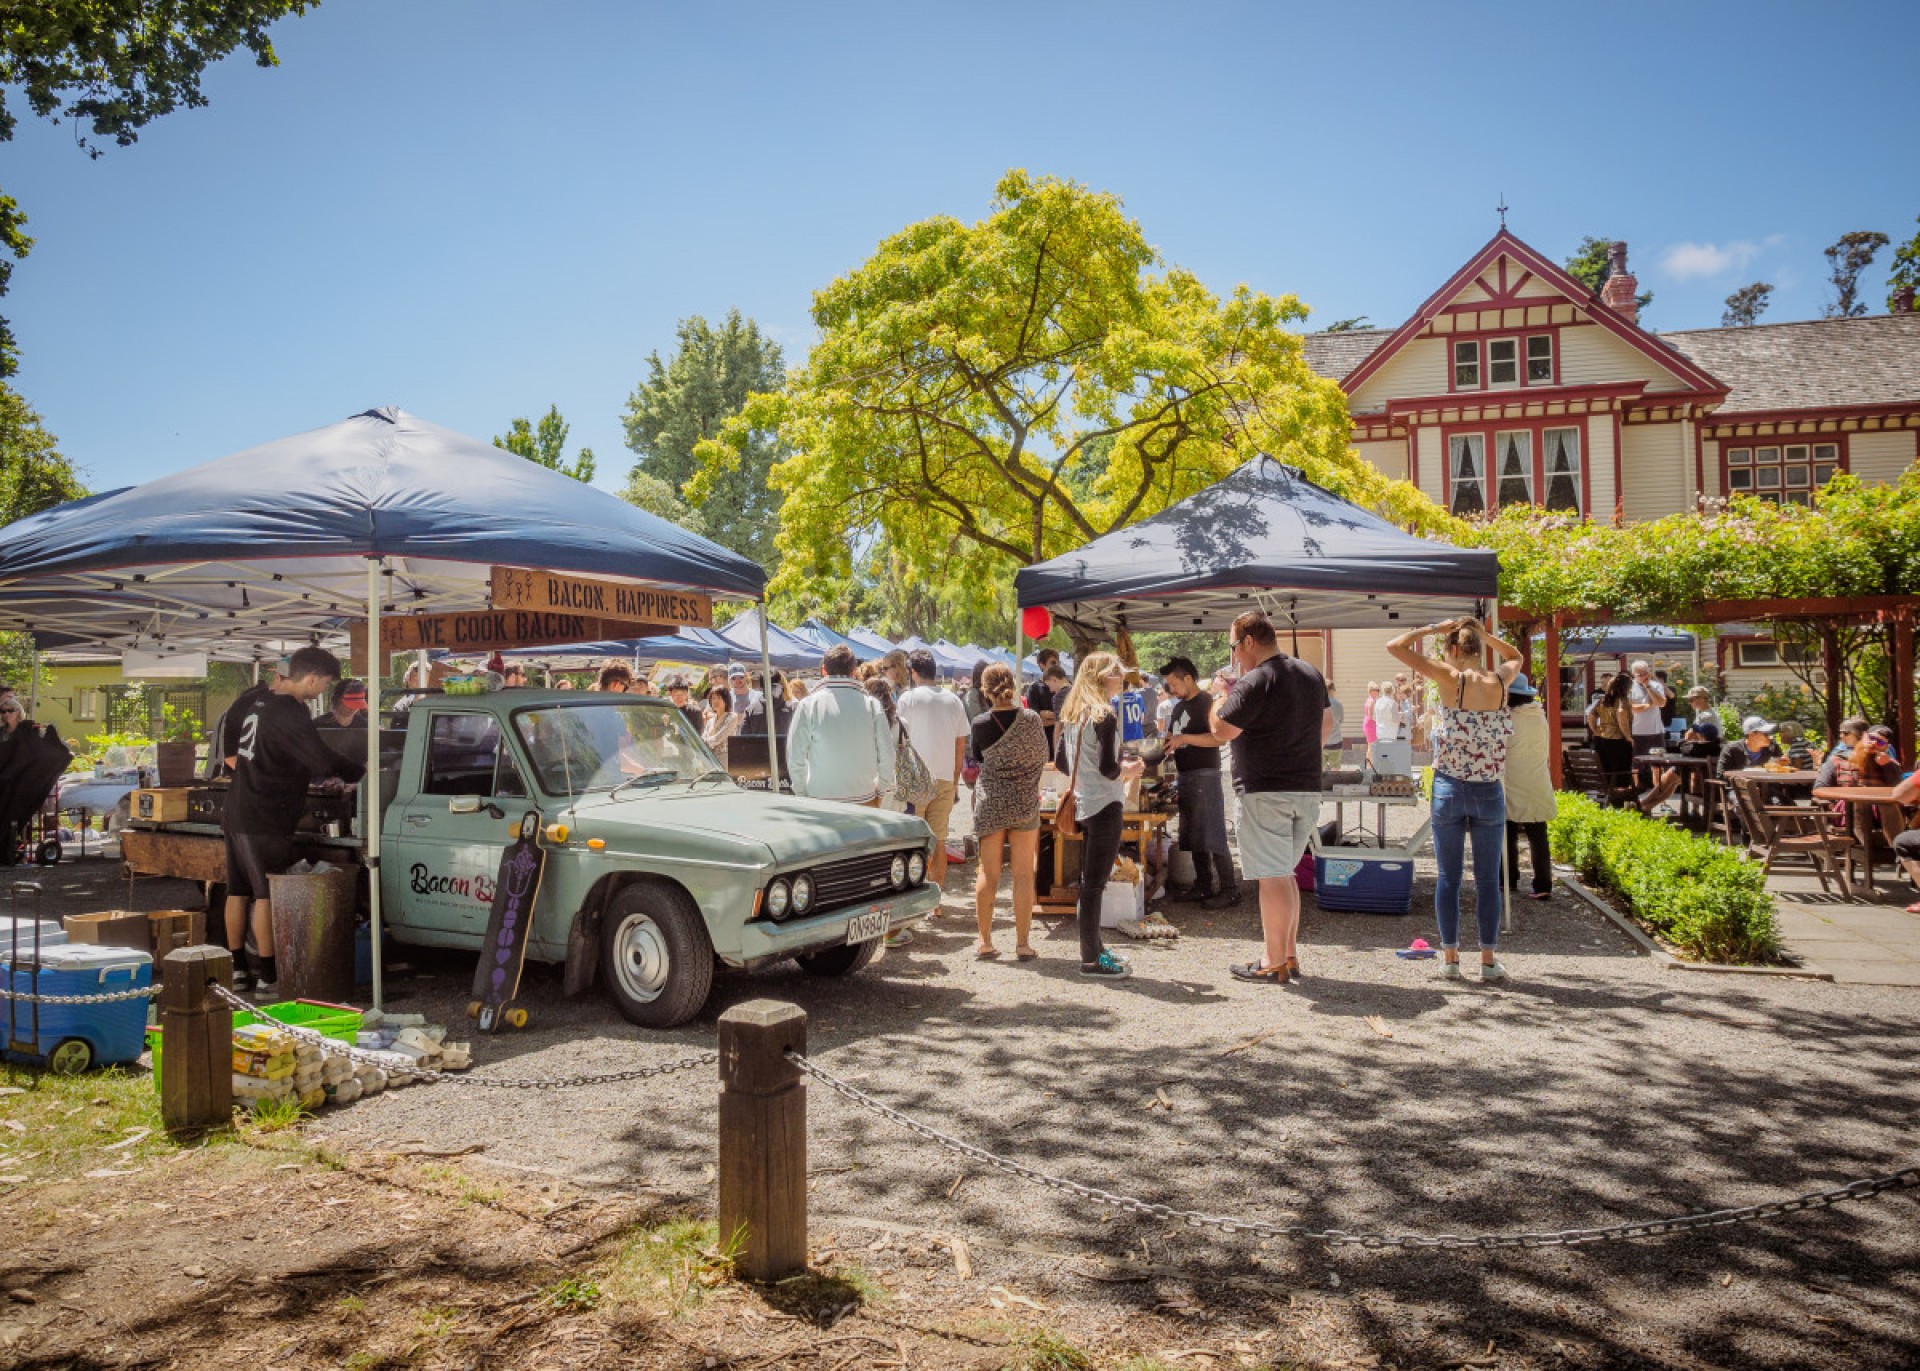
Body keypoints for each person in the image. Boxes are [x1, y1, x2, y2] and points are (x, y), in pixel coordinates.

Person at [220, 647, 365, 995]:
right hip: (265, 814)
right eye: (325, 682)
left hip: (238, 808)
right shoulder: (289, 710)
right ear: (312, 678)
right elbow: (317, 757)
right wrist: (357, 772)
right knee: (267, 894)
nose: (322, 690)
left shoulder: (261, 702)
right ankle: (269, 976)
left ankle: (238, 967)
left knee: (237, 891)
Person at [1387, 616, 1523, 983]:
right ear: (1478, 648)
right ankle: (1489, 960)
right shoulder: (1500, 680)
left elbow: (1395, 646)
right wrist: (1485, 634)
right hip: (1489, 789)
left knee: (1449, 877)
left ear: (1451, 650)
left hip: (1449, 786)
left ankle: (1449, 958)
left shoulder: (1449, 678)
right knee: (1486, 880)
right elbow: (1516, 656)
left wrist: (1432, 628)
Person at [1211, 612, 1333, 984]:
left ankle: (1272, 960)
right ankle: (1288, 955)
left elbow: (1220, 730)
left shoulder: (1254, 680)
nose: (1234, 656)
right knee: (1286, 876)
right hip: (1306, 788)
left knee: (1272, 878)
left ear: (1248, 641)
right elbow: (1326, 728)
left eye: (1234, 646)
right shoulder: (1310, 673)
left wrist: (1218, 697)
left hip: (1265, 790)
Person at [1057, 652, 1143, 980]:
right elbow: (1110, 770)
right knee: (1094, 885)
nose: (1121, 678)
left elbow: (1064, 764)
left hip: (1083, 803)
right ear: (1101, 678)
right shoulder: (1104, 715)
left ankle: (1094, 950)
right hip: (1106, 804)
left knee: (1089, 884)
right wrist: (1131, 769)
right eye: (1116, 674)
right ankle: (1091, 960)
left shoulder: (1072, 715)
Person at [969, 664, 1047, 960]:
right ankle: (1023, 944)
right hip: (1025, 801)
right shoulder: (1032, 720)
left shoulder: (979, 723)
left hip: (991, 802)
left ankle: (985, 941)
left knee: (988, 873)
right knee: (1024, 873)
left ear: (985, 690)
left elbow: (978, 757)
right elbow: (1043, 756)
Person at [1158, 657, 1239, 908]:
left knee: (1213, 834)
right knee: (1193, 835)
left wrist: (1184, 739)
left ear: (1188, 678)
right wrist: (1165, 743)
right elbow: (1173, 736)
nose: (1171, 688)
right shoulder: (1179, 707)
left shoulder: (1207, 703)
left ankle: (1229, 889)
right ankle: (1203, 885)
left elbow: (1218, 739)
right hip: (1186, 776)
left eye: (1174, 683)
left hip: (1206, 774)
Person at [786, 644, 895, 807]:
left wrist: (802, 793)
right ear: (853, 671)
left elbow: (795, 757)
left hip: (820, 801)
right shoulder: (872, 705)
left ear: (824, 670)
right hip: (865, 798)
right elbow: (887, 754)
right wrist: (881, 790)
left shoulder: (808, 705)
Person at [898, 649, 970, 887]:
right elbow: (961, 744)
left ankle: (916, 893)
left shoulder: (908, 699)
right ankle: (936, 898)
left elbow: (899, 740)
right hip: (944, 778)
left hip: (916, 780)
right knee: (939, 840)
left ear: (914, 672)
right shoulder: (953, 700)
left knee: (914, 841)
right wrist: (954, 777)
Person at [1502, 676, 1555, 900]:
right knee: (1538, 834)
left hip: (1512, 780)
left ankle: (1507, 879)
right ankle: (1543, 884)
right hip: (1538, 779)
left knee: (1507, 832)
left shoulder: (1507, 718)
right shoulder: (1539, 716)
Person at [1640, 717, 1722, 814]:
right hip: (1704, 777)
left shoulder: (1698, 747)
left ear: (1702, 736)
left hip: (1691, 774)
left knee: (1667, 779)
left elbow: (1682, 747)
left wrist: (1688, 739)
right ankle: (1646, 806)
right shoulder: (1717, 747)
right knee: (1670, 783)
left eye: (1698, 733)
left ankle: (1642, 804)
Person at [1586, 672, 1636, 796]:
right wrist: (1628, 737)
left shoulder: (1602, 700)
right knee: (1619, 772)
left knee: (1605, 769)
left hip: (1601, 739)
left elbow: (1591, 716)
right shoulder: (1622, 700)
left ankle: (1605, 795)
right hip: (1617, 740)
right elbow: (1621, 716)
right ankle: (1618, 799)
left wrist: (1596, 730)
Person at [1626, 660, 1668, 756]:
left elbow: (1661, 703)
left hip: (1656, 731)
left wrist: (1648, 687)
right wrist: (1649, 704)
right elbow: (1631, 708)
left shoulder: (1656, 685)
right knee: (1639, 764)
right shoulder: (1629, 687)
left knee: (1658, 763)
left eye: (1644, 673)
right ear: (1633, 674)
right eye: (1639, 675)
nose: (1643, 677)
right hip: (1637, 732)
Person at [701, 685, 740, 769]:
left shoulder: (732, 717)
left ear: (726, 699)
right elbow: (702, 739)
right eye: (713, 698)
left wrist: (704, 741)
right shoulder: (710, 721)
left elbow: (718, 738)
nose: (715, 701)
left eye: (719, 697)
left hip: (725, 759)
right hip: (710, 759)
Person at [1371, 678, 1400, 745]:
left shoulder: (1377, 702)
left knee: (1383, 753)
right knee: (1390, 753)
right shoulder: (1393, 703)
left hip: (1380, 731)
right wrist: (1401, 717)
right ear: (1392, 690)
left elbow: (1374, 717)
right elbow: (1395, 719)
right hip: (1391, 732)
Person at [1325, 683, 1346, 764]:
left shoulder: (1318, 703)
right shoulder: (1339, 704)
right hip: (1336, 741)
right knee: (1335, 769)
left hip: (1321, 742)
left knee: (1320, 770)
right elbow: (1341, 720)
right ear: (1332, 690)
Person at [1362, 681, 1381, 767]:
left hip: (1369, 724)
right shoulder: (1372, 701)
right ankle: (1369, 767)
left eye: (1378, 690)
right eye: (1375, 690)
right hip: (1371, 725)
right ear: (1370, 691)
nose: (1377, 692)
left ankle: (1369, 766)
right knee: (1371, 746)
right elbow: (1371, 716)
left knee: (1371, 746)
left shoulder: (1370, 699)